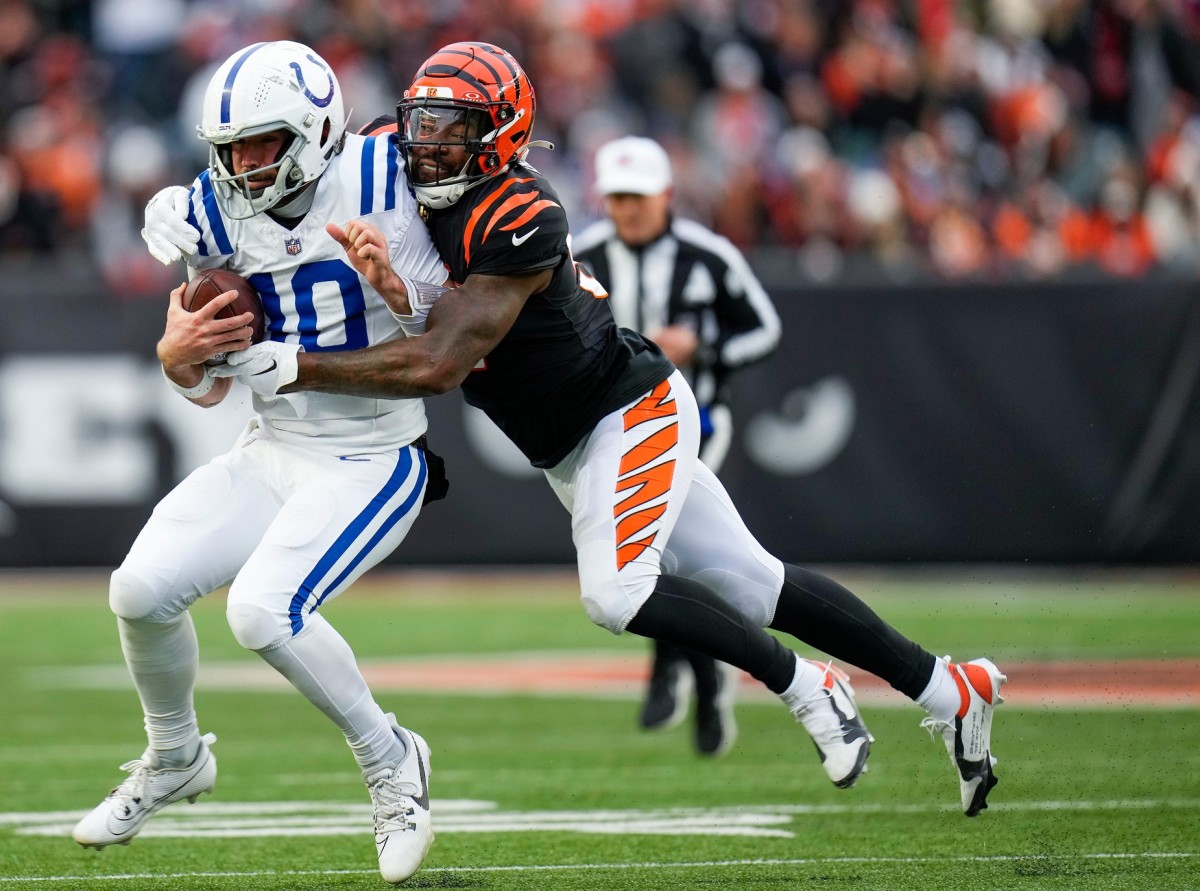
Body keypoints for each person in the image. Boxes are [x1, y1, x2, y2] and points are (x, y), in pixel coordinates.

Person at [157, 42, 1005, 825]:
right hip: (565, 438)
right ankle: (951, 690)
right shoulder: (400, 165)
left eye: (452, 132)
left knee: (616, 593)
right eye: (420, 123)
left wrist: (292, 365)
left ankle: (805, 684)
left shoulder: (519, 213)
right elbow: (307, 162)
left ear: (500, 138)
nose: (427, 147)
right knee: (754, 584)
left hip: (623, 410)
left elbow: (439, 364)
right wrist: (181, 204)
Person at [75, 41, 444, 886]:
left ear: (316, 131)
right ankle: (174, 756)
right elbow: (204, 388)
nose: (241, 164)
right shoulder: (209, 208)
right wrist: (177, 353)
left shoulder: (391, 176)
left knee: (263, 612)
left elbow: (446, 338)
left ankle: (392, 758)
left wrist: (399, 291)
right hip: (272, 444)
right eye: (229, 146)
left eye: (260, 143)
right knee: (137, 589)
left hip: (373, 451)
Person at [572, 135, 782, 757]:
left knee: (666, 554)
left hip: (698, 423)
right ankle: (699, 673)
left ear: (665, 194)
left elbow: (764, 329)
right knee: (653, 556)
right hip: (611, 428)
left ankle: (683, 672)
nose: (627, 209)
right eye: (617, 197)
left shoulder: (708, 256)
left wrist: (705, 349)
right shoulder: (582, 252)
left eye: (637, 196)